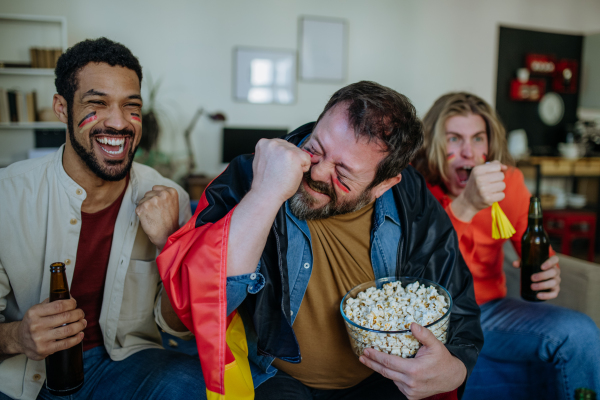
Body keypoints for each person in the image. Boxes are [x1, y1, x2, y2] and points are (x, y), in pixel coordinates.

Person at [157, 81, 483, 400]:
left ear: (383, 184)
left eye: (342, 174)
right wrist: (266, 194)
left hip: (377, 379)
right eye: (315, 149)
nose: (316, 172)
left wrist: (455, 368)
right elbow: (195, 306)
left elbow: (458, 300)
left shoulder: (411, 198)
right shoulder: (251, 175)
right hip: (273, 376)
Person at [0, 38, 204, 400]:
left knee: (197, 386)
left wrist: (169, 244)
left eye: (132, 107)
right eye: (97, 103)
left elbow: (180, 328)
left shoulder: (166, 196)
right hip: (26, 377)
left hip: (126, 363)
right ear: (62, 108)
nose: (119, 123)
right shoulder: (7, 196)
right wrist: (17, 336)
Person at [413, 92, 600, 398]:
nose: (469, 153)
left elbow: (536, 246)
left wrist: (548, 271)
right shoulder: (414, 185)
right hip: (435, 319)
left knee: (580, 333)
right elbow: (421, 269)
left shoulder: (506, 182)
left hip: (490, 311)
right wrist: (467, 205)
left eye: (477, 139)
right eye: (454, 139)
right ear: (435, 142)